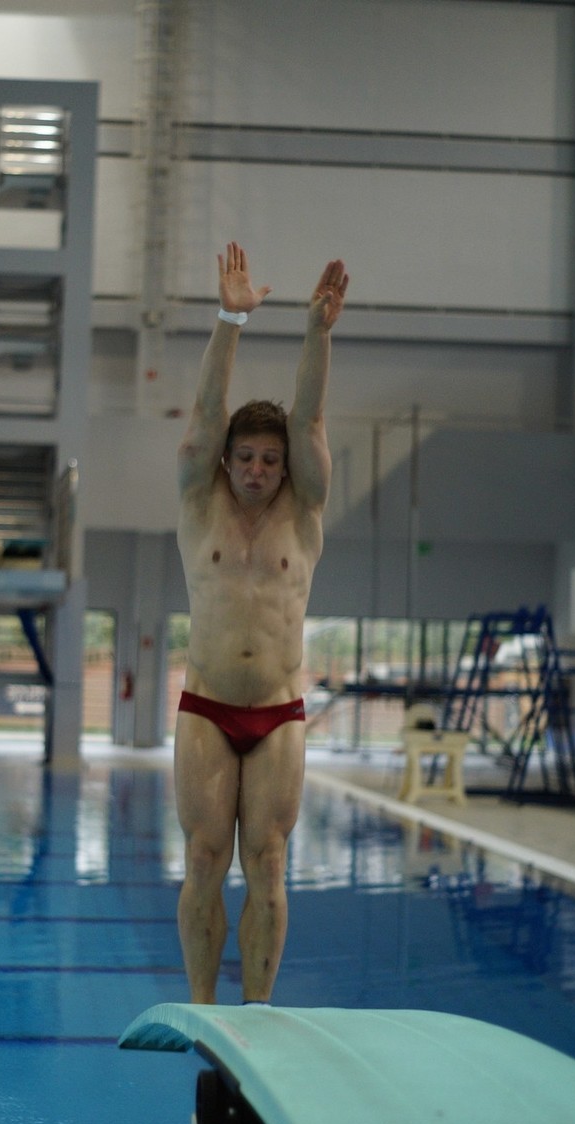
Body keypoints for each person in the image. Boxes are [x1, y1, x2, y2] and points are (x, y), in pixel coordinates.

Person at [174, 241, 349, 1003]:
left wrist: (317, 333)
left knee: (269, 863)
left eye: (268, 461)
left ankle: (258, 1014)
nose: (255, 470)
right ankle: (204, 1010)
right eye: (243, 457)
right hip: (207, 705)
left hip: (277, 711)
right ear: (226, 460)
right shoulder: (199, 499)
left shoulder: (303, 510)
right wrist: (229, 320)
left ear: (285, 467)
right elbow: (204, 414)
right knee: (204, 858)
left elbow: (310, 417)